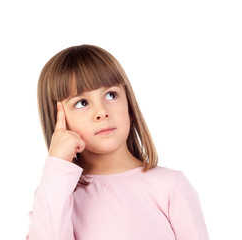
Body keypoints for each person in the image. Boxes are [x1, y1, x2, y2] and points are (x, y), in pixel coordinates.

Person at [26, 45, 209, 240]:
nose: (101, 111)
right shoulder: (56, 195)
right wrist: (57, 164)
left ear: (129, 105)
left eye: (111, 95)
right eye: (82, 103)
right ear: (58, 121)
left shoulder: (170, 186)